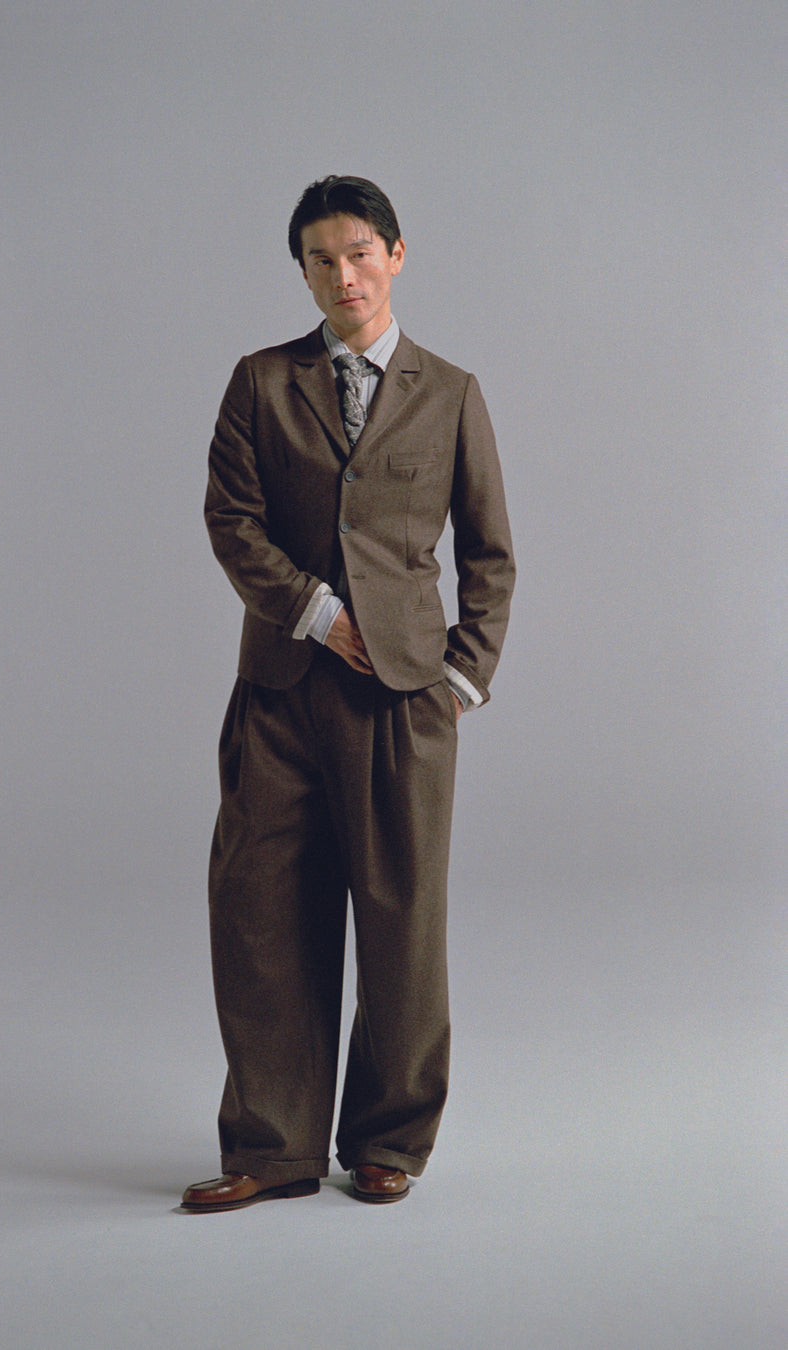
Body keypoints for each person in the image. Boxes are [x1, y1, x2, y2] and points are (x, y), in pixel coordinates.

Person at [180, 175, 514, 1212]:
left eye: (361, 253)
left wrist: (462, 675)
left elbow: (491, 552)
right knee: (261, 914)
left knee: (402, 922)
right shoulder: (259, 381)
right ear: (304, 271)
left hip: (405, 701)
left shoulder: (450, 391)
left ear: (396, 255)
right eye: (321, 259)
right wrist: (320, 616)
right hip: (281, 688)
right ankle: (272, 1147)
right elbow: (232, 520)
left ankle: (388, 1138)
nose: (344, 275)